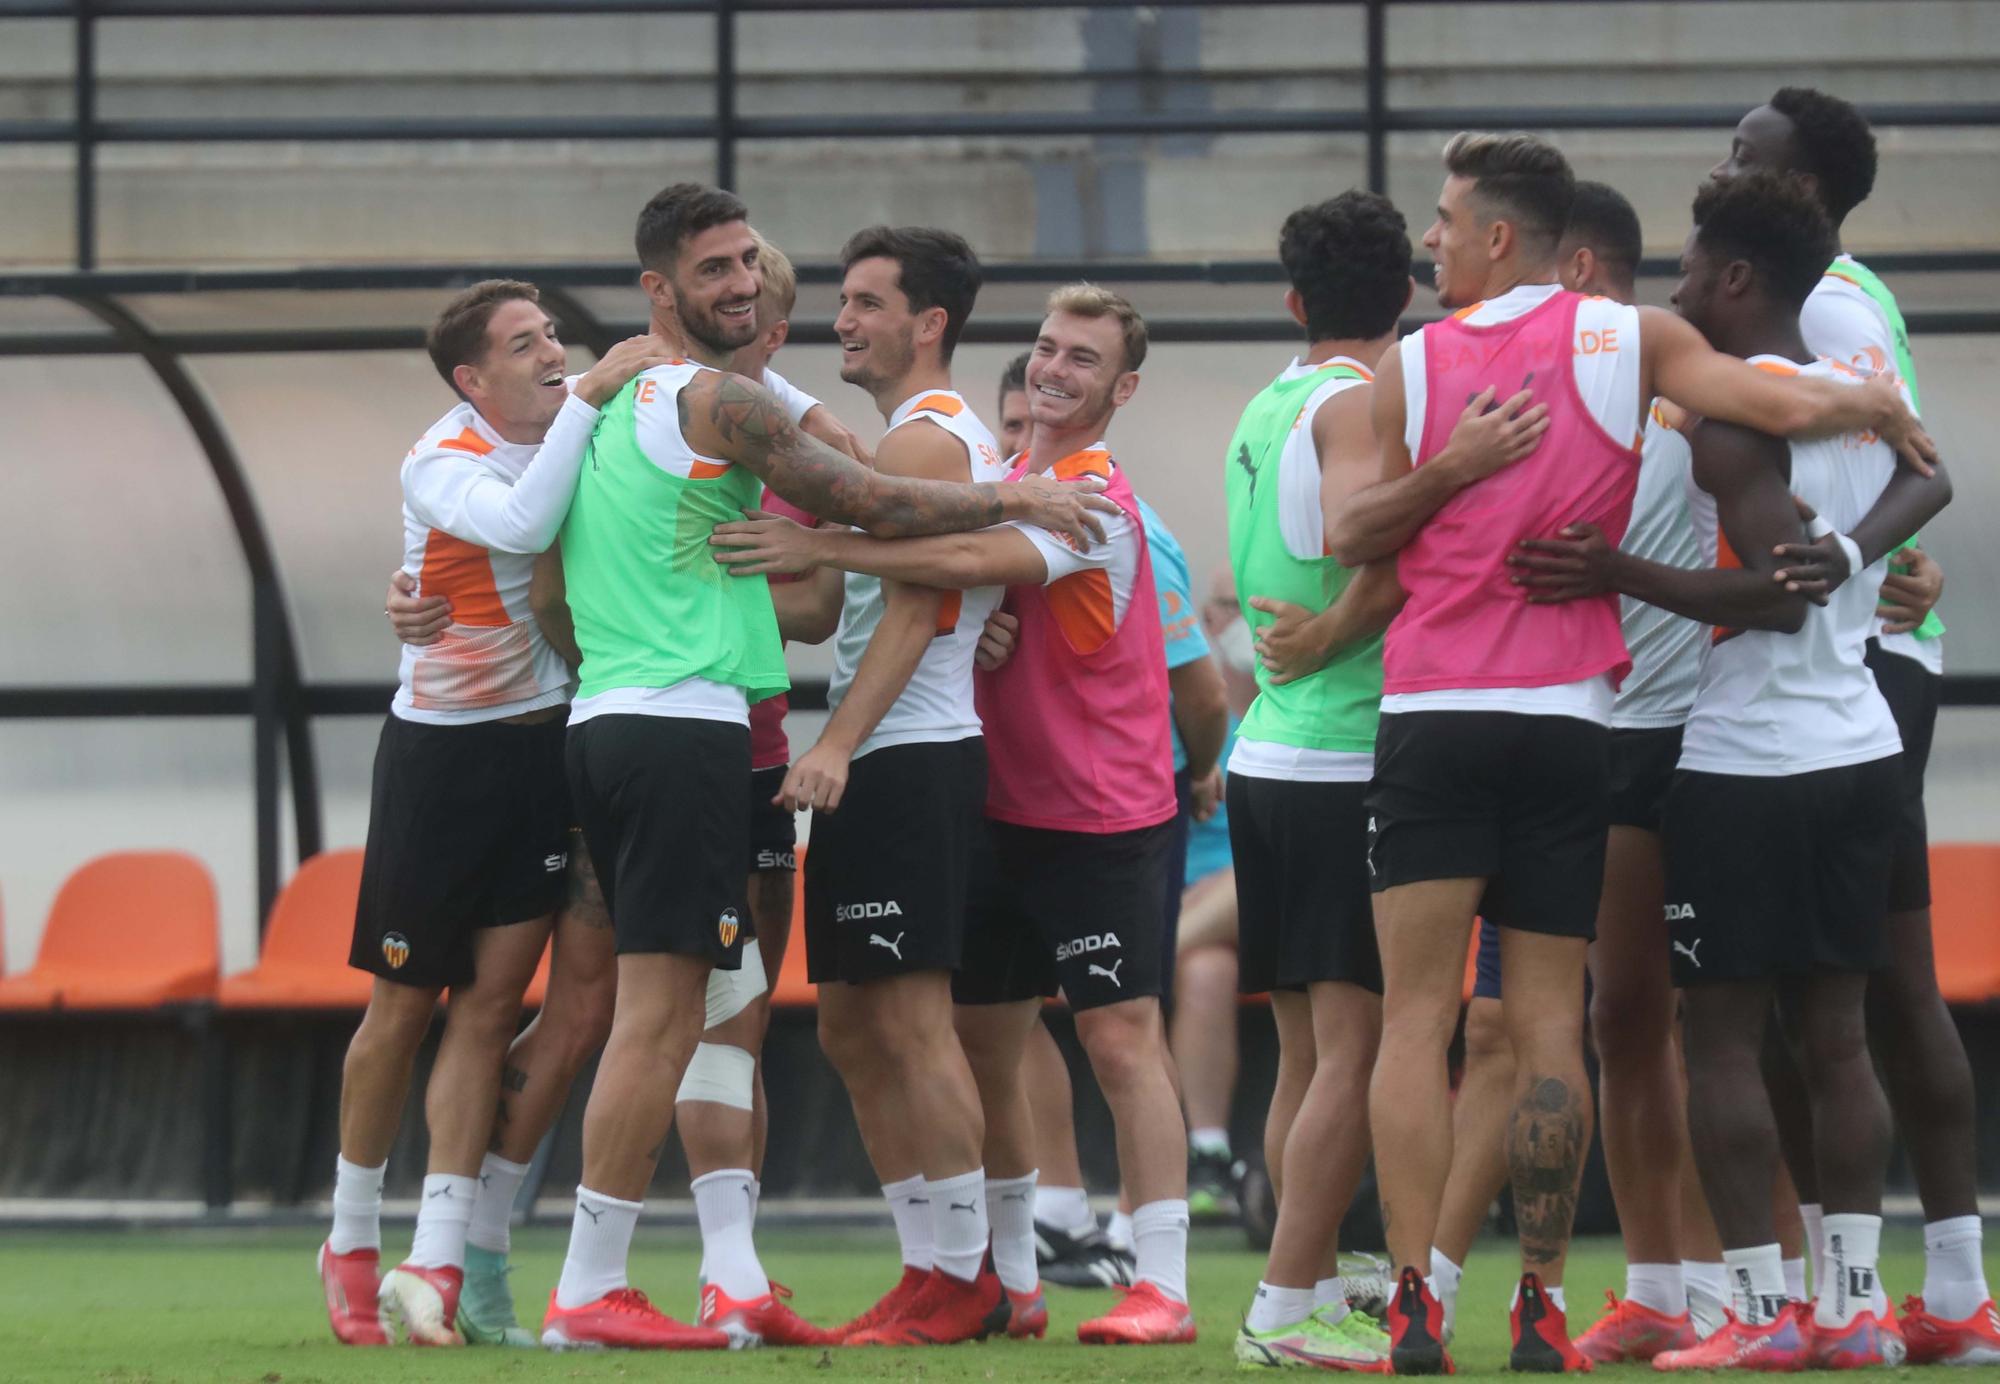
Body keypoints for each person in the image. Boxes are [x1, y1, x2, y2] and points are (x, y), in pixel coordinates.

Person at [1326, 131, 1932, 1375]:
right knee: (1555, 1024)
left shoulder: (1412, 365)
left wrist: (1445, 468)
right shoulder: (1632, 342)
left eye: (1444, 220)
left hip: (1435, 716)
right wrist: (1875, 401)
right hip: (1572, 725)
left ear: (1501, 235)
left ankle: (1409, 1298)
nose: (1428, 240)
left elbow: (1354, 536)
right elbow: (1781, 402)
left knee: (1413, 1023)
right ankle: (1538, 1304)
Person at [539, 183, 1117, 1351]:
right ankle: (604, 1283)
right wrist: (1017, 489)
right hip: (693, 732)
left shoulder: (605, 407)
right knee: (699, 1021)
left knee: (855, 1026)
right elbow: (852, 499)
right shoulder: (719, 407)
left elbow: (822, 574)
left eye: (753, 268)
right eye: (719, 272)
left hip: (642, 723)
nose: (755, 293)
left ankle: (950, 1271)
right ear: (660, 292)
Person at [1511, 170, 1951, 1370]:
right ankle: (1852, 1308)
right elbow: (1933, 479)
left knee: (1716, 1045)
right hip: (1859, 739)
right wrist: (1860, 551)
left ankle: (1755, 1317)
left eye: (1696, 270)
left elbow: (1767, 594)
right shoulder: (1853, 395)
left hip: (1748, 760)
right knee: (1835, 1037)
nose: (1681, 287)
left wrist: (1616, 573)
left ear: (1737, 279)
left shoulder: (1735, 415)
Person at [382, 233, 850, 1349]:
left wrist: (768, 571)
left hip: (744, 752)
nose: (761, 328)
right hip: (645, 739)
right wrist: (647, 618)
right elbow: (538, 571)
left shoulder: (763, 431)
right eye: (747, 310)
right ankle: (467, 1255)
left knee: (726, 1014)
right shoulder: (636, 414)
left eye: (778, 320)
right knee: (592, 1006)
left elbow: (823, 602)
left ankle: (729, 1276)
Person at [714, 285, 1200, 1347]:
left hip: (1099, 815)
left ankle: (1160, 1282)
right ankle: (1007, 1277)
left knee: (1121, 1040)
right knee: (983, 1044)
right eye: (1044, 347)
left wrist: (831, 547)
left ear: (1121, 389)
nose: (1053, 369)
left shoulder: (1091, 501)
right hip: (997, 806)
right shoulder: (1014, 483)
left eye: (1082, 358)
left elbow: (968, 563)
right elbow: (967, 587)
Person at [320, 280, 674, 1348]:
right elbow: (518, 522)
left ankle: (435, 1257)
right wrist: (592, 397)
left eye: (553, 336)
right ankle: (346, 1240)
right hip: (437, 755)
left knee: (483, 1009)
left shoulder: (589, 428)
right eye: (524, 344)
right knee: (400, 1006)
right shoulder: (442, 455)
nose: (553, 353)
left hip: (542, 746)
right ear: (473, 380)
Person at [1223, 190, 1534, 1372]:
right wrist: (1451, 477)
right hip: (1338, 753)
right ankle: (1279, 1304)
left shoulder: (1269, 397)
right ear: (1403, 294)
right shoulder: (1359, 402)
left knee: (1312, 1057)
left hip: (1275, 752)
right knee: (1353, 1053)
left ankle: (1314, 1280)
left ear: (1294, 301)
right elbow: (1371, 538)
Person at [1712, 87, 1995, 1365]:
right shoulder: (1857, 289)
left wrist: (1843, 558)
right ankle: (1938, 1284)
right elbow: (1911, 468)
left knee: (1827, 996)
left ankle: (1870, 1292)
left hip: (1844, 674)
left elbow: (1896, 461)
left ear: (1806, 185)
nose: (1726, 167)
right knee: (1872, 988)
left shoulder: (1809, 305)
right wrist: (1881, 550)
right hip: (1877, 660)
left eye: (1747, 154)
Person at [768, 225, 1042, 1347]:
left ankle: (967, 1277)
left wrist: (832, 740)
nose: (845, 318)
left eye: (867, 302)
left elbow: (921, 607)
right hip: (883, 755)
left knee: (914, 1024)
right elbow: (854, 604)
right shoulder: (899, 441)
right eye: (844, 300)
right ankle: (930, 1267)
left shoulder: (930, 445)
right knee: (848, 1024)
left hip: (908, 756)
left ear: (929, 323)